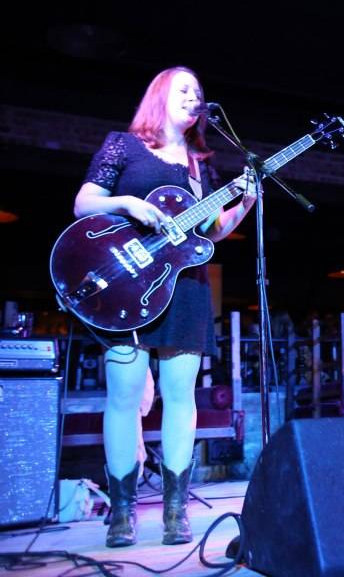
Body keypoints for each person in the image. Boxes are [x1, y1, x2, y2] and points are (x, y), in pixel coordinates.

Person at [73, 66, 258, 547]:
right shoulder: (124, 146)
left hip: (184, 286)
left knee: (181, 397)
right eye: (183, 88)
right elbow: (84, 203)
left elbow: (211, 231)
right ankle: (122, 511)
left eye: (198, 91)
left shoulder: (201, 165)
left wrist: (243, 205)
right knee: (124, 396)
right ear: (160, 95)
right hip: (125, 284)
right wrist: (128, 204)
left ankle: (176, 510)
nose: (193, 96)